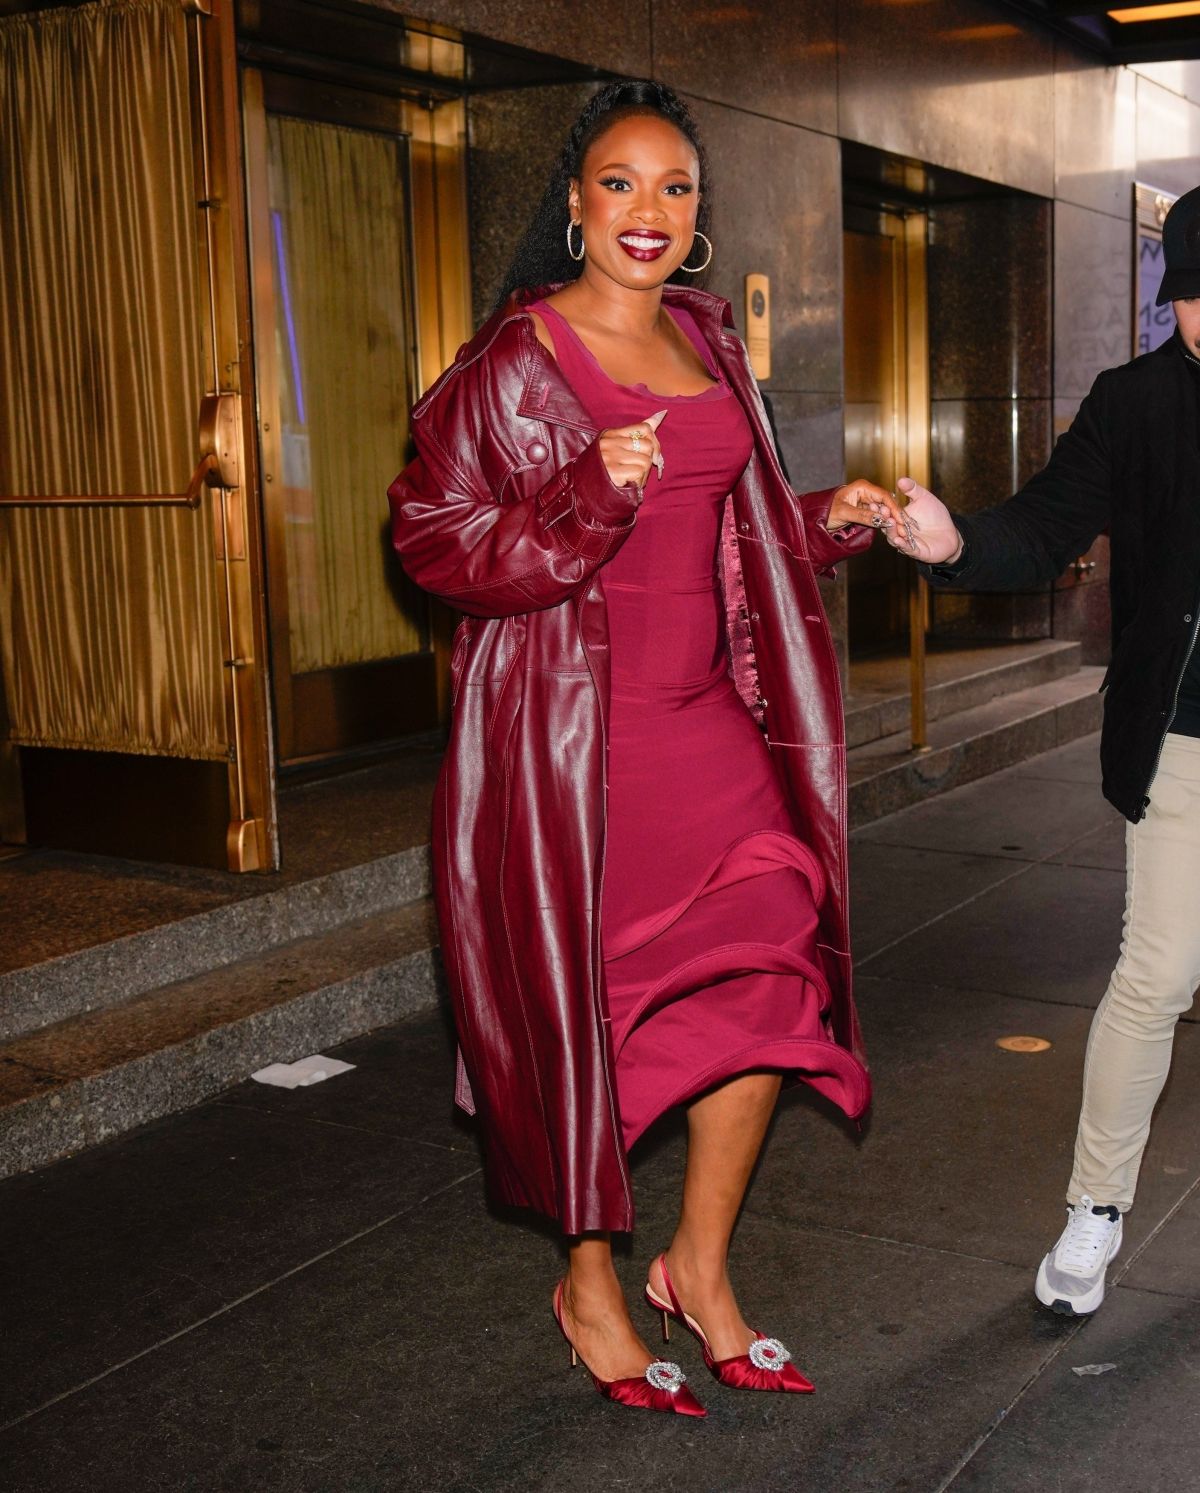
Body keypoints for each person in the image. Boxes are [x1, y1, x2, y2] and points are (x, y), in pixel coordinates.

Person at [387, 80, 901, 1415]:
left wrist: (822, 514)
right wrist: (576, 494)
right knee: (590, 1021)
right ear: (572, 203)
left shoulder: (707, 341)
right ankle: (592, 1280)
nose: (649, 212)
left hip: (708, 728)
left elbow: (728, 532)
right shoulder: (512, 361)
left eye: (676, 189)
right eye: (621, 183)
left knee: (775, 973)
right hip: (575, 750)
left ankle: (701, 1263)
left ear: (698, 222)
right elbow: (430, 540)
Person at [884, 183, 1200, 1319]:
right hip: (1184, 735)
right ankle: (1098, 1207)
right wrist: (956, 538)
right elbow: (1047, 519)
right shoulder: (1138, 403)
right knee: (1158, 973)